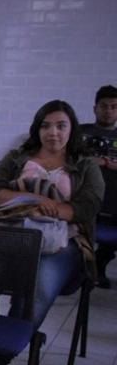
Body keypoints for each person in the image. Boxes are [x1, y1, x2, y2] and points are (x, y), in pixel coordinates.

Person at [0, 100, 104, 365]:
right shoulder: (18, 157)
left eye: (60, 126)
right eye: (46, 126)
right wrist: (38, 200)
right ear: (37, 128)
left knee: (37, 287)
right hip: (10, 235)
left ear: (71, 129)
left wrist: (42, 206)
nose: (53, 132)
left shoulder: (85, 165)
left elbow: (85, 209)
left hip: (63, 243)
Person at [78, 85, 117, 288]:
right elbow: (66, 157)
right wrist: (95, 161)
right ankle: (82, 268)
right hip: (82, 192)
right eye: (104, 106)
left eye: (114, 107)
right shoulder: (80, 132)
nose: (108, 111)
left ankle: (100, 265)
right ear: (95, 108)